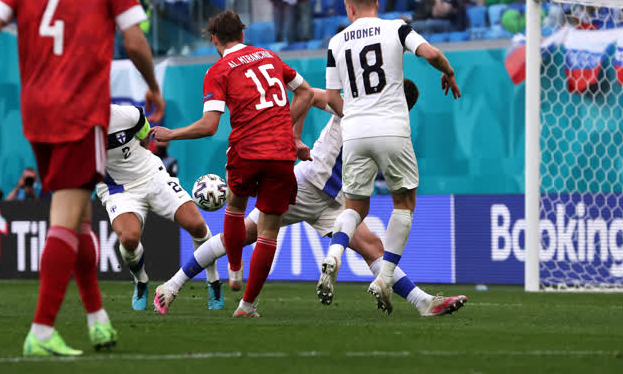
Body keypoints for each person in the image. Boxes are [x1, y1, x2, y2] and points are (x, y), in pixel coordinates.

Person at [0, 0, 165, 356]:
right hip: (79, 111)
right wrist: (153, 85)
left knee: (79, 221)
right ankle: (41, 330)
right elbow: (134, 42)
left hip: (36, 110)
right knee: (66, 216)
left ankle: (97, 321)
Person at [155, 83, 468, 317]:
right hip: (305, 185)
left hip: (333, 202)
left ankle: (423, 302)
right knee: (244, 236)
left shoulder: (390, 127)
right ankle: (170, 287)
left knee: (372, 247)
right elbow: (306, 94)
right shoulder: (357, 106)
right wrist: (292, 136)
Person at [151, 11, 313, 317]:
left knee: (236, 207)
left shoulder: (219, 69)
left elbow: (210, 126)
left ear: (214, 40)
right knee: (268, 233)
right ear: (243, 33)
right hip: (280, 153)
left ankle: (235, 269)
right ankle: (247, 305)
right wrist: (279, 124)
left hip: (247, 150)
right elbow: (304, 92)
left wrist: (172, 133)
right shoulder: (270, 56)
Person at [318, 0, 460, 313]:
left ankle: (333, 255)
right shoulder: (396, 28)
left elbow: (331, 97)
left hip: (353, 133)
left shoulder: (336, 42)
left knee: (353, 207)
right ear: (377, 3)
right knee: (404, 202)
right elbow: (432, 54)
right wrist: (449, 72)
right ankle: (384, 277)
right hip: (392, 128)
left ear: (349, 7)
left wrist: (354, 116)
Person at [96, 104, 220, 311]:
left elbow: (145, 139)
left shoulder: (130, 114)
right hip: (118, 189)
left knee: (197, 225)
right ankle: (141, 281)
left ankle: (213, 282)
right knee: (128, 239)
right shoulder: (77, 128)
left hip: (152, 175)